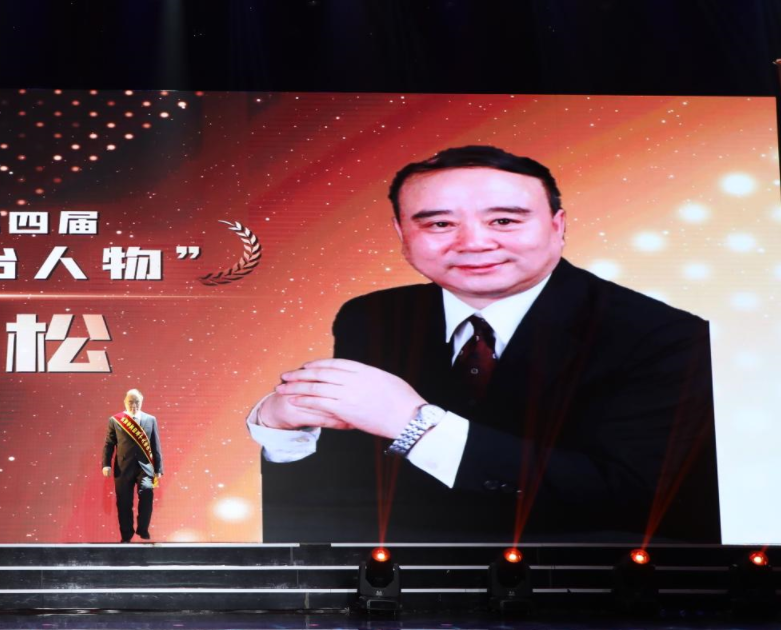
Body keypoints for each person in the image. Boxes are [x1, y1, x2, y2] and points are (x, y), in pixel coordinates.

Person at [248, 145, 720, 543]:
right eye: (438, 225)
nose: (473, 243)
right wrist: (283, 431)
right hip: (401, 592)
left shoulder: (665, 335)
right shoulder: (372, 316)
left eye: (504, 221)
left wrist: (417, 426)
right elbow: (345, 497)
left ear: (557, 225)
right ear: (401, 233)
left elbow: (638, 500)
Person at [103, 389, 163, 542]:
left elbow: (155, 445)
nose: (134, 405)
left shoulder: (151, 419)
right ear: (125, 402)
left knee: (147, 493)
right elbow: (109, 444)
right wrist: (106, 464)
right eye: (130, 402)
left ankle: (143, 529)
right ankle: (126, 534)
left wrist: (158, 468)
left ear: (141, 402)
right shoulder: (115, 420)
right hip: (123, 468)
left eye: (137, 402)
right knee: (124, 502)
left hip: (145, 467)